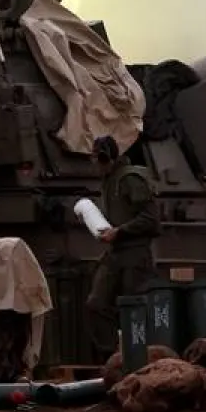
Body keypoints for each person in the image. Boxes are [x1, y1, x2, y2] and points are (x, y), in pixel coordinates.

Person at [84, 135, 161, 359]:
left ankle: (137, 358)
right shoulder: (108, 180)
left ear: (103, 158)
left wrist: (120, 231)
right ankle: (112, 356)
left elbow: (151, 219)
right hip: (115, 253)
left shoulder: (130, 179)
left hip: (135, 253)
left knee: (133, 308)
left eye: (95, 159)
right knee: (96, 304)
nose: (92, 164)